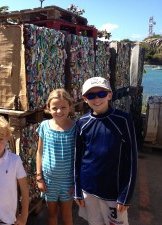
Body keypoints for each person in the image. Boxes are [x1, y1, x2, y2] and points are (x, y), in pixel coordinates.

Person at [74, 77, 138, 225]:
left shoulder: (123, 120)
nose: (97, 99)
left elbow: (132, 160)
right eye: (91, 95)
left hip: (113, 193)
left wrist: (126, 195)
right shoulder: (82, 123)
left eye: (101, 94)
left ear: (109, 95)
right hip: (88, 190)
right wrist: (78, 190)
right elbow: (77, 158)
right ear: (85, 99)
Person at [36, 88, 75, 225]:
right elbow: (39, 152)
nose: (59, 111)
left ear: (70, 107)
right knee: (51, 213)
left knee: (67, 214)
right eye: (55, 108)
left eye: (63, 107)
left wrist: (76, 182)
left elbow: (79, 156)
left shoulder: (75, 128)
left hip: (68, 181)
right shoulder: (44, 126)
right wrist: (39, 177)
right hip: (49, 181)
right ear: (48, 109)